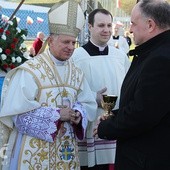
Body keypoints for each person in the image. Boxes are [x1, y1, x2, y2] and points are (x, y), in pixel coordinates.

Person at [0, 0, 97, 169]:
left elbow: (88, 104)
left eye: (73, 43)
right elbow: (16, 115)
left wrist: (78, 114)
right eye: (65, 42)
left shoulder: (77, 73)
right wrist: (57, 114)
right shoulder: (30, 71)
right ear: (51, 41)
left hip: (66, 151)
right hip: (34, 152)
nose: (70, 47)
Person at [95, 0, 170, 170]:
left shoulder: (160, 59)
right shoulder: (154, 52)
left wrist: (106, 127)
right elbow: (147, 103)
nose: (130, 29)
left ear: (150, 25)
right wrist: (114, 114)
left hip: (147, 159)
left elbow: (142, 114)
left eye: (133, 24)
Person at [72, 8, 130, 170]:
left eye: (109, 25)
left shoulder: (120, 56)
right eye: (101, 25)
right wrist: (92, 98)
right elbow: (69, 89)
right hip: (89, 126)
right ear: (90, 27)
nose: (106, 30)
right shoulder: (77, 57)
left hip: (116, 124)